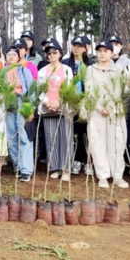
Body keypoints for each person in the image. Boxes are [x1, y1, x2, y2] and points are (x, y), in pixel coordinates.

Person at [0, 44, 34, 181]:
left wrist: (30, 108)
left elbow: (32, 90)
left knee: (24, 136)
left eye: (14, 54)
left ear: (19, 57)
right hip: (8, 106)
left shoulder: (24, 71)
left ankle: (26, 169)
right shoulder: (1, 73)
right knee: (12, 137)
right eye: (9, 54)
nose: (11, 56)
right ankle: (17, 166)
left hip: (22, 104)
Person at [83, 40, 128, 188]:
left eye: (105, 51)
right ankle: (102, 175)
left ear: (111, 53)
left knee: (117, 142)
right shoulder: (91, 69)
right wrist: (99, 107)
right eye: (100, 51)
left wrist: (110, 107)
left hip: (115, 111)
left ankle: (117, 176)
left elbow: (120, 90)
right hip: (96, 112)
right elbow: (89, 90)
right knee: (98, 142)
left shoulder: (119, 70)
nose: (102, 54)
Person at [38, 41, 74, 182]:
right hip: (48, 108)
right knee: (51, 136)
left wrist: (59, 102)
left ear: (60, 53)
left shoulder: (67, 69)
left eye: (55, 52)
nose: (52, 55)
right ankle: (55, 167)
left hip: (64, 106)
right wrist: (47, 102)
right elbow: (40, 90)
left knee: (65, 137)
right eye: (49, 53)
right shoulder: (43, 71)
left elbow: (69, 88)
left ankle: (66, 169)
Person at [62, 36, 92, 175]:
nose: (76, 48)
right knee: (69, 131)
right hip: (69, 103)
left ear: (86, 48)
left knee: (83, 132)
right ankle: (72, 159)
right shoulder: (66, 63)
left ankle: (84, 160)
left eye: (80, 46)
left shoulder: (90, 64)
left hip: (85, 103)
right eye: (74, 45)